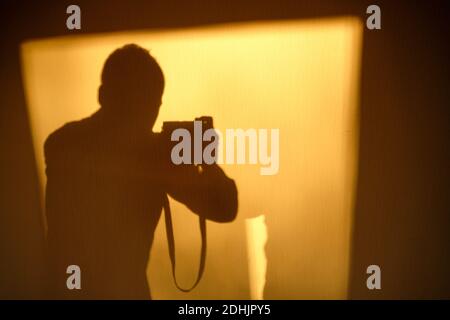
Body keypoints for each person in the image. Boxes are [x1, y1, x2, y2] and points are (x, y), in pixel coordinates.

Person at [44, 44, 238, 299]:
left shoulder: (63, 141)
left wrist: (200, 159)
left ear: (102, 94)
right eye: (137, 103)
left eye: (150, 105)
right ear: (105, 96)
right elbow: (224, 207)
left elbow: (224, 208)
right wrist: (205, 163)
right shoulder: (148, 154)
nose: (146, 115)